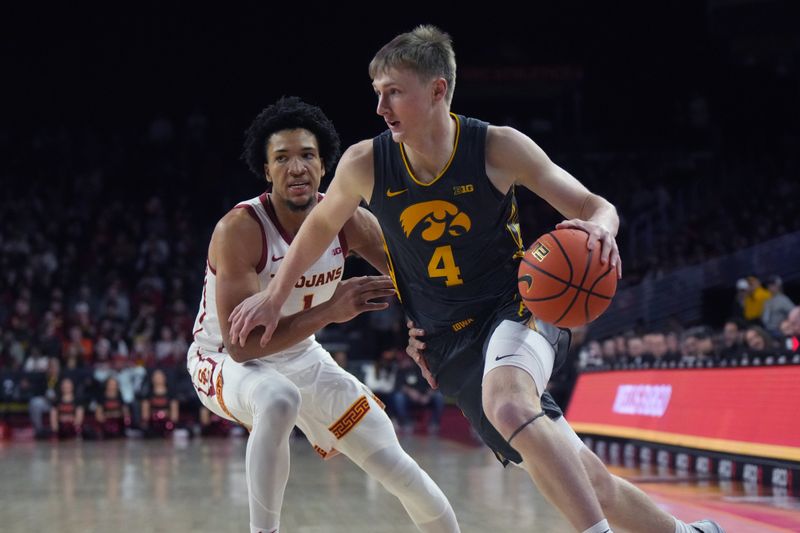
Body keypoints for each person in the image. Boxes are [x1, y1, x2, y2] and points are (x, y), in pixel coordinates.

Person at [228, 26, 723, 533]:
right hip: (448, 346)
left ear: (438, 89)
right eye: (377, 93)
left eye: (394, 91)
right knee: (585, 477)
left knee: (508, 403)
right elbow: (317, 229)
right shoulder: (364, 163)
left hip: (517, 307)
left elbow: (597, 207)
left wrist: (602, 230)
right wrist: (274, 296)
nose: (381, 108)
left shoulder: (497, 148)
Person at [187, 96, 458, 533]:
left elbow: (417, 280)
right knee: (277, 399)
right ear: (267, 169)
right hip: (221, 358)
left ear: (325, 164)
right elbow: (241, 347)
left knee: (401, 472)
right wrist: (332, 310)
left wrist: (431, 332)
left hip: (302, 355)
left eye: (307, 155)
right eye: (282, 158)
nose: (297, 167)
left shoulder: (348, 219)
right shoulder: (239, 229)